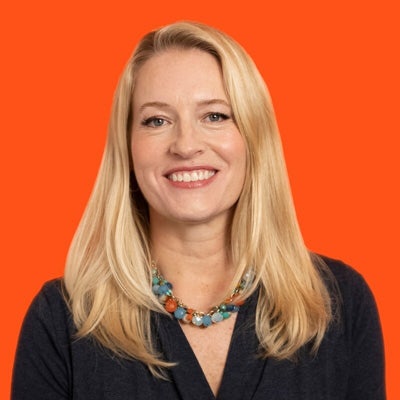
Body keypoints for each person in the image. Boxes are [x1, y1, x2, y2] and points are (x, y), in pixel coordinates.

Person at [12, 21, 385, 399]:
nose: (186, 145)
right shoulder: (62, 321)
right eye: (157, 120)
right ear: (128, 147)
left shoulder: (340, 304)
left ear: (254, 137)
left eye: (215, 116)